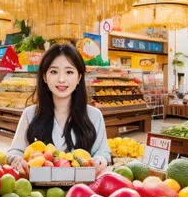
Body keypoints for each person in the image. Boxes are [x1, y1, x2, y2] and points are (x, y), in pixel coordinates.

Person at [7, 43, 111, 177]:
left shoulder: (94, 115)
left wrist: (99, 162)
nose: (61, 79)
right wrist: (17, 160)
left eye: (69, 72)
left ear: (79, 77)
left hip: (83, 190)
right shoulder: (30, 114)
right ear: (44, 77)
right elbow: (15, 151)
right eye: (54, 72)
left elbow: (103, 153)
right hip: (39, 192)